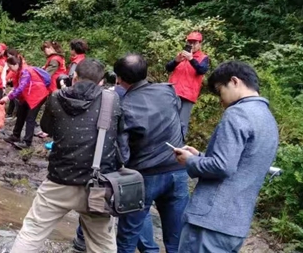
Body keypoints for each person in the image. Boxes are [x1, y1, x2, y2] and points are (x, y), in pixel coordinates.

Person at [10, 58, 120, 253]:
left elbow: (47, 127)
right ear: (101, 81)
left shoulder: (56, 97)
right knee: (102, 244)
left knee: (32, 232)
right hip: (97, 183)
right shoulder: (112, 100)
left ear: (74, 77)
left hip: (59, 179)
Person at [173, 61, 279, 253]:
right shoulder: (267, 118)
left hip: (210, 221)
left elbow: (223, 166)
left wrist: (190, 161)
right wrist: (200, 156)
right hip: (236, 225)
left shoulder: (237, 113)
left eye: (220, 91)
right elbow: (242, 163)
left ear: (234, 81)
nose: (221, 100)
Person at [72, 71, 160, 253]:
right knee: (134, 207)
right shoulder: (150, 97)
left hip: (112, 159)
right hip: (135, 161)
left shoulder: (112, 96)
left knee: (97, 199)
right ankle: (149, 249)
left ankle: (81, 239)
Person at [116, 53, 189, 253]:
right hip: (177, 168)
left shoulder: (124, 106)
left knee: (128, 235)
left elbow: (122, 153)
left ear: (119, 78)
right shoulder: (168, 91)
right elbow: (179, 121)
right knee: (177, 238)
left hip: (144, 175)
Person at [0, 54, 51, 149]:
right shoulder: (19, 71)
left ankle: (27, 142)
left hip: (37, 96)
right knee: (21, 114)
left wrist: (8, 97)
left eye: (10, 67)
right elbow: (17, 87)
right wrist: (10, 94)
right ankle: (15, 136)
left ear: (15, 64)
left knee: (30, 118)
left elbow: (21, 87)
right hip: (28, 96)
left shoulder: (25, 71)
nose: (10, 69)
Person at [166, 32, 209, 138]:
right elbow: (168, 68)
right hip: (173, 91)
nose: (192, 45)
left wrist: (191, 59)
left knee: (182, 122)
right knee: (168, 119)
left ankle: (179, 144)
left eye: (194, 42)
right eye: (190, 42)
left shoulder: (203, 57)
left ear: (200, 44)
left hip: (188, 95)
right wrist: (176, 61)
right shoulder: (181, 55)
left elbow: (202, 70)